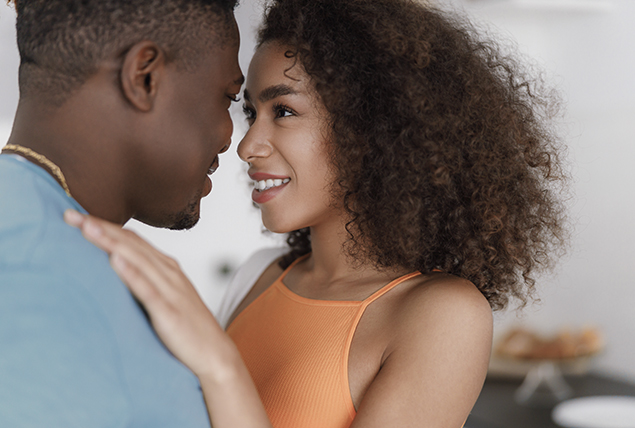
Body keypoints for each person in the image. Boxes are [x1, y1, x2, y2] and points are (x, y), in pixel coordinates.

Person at [66, 0, 568, 426]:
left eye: (282, 111)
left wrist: (218, 365)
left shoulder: (442, 314)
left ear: (373, 130)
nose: (247, 146)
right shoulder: (258, 276)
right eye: (250, 113)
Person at [0, 0, 243, 426]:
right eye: (227, 98)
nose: (232, 139)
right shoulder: (33, 276)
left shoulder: (44, 238)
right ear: (144, 77)